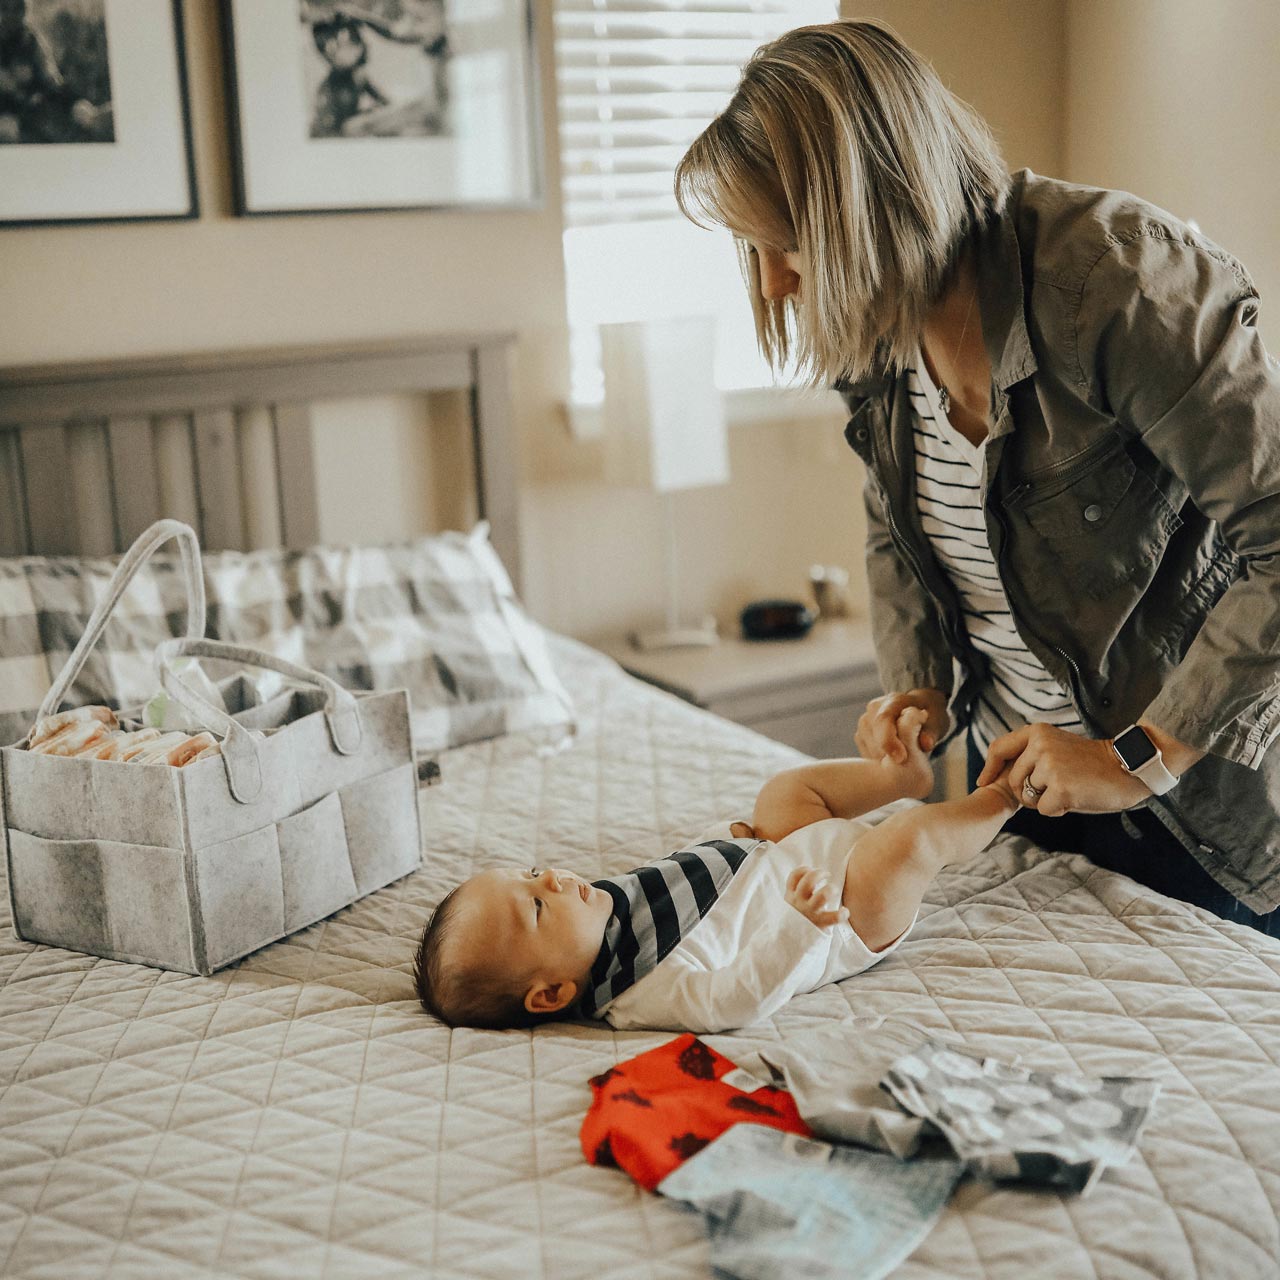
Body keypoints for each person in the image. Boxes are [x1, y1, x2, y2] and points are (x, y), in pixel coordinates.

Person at [672, 20, 1280, 934]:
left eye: (785, 245)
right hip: (1017, 801)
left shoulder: (1116, 280)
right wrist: (916, 686)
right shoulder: (876, 321)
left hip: (1195, 817)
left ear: (866, 212)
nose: (771, 288)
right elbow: (893, 522)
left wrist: (1131, 760)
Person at [413, 710, 1019, 1033]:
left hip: (778, 857)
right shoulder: (644, 991)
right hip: (842, 914)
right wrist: (801, 927)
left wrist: (722, 845)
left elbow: (678, 880)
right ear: (551, 994)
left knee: (782, 792)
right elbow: (736, 1000)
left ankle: (899, 779)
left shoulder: (600, 910)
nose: (549, 880)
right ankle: (1007, 793)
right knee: (909, 841)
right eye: (537, 906)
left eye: (530, 873)